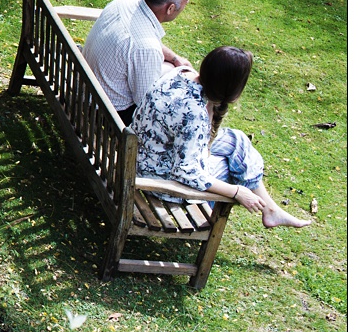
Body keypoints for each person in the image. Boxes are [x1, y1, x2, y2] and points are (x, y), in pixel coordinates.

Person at [130, 46, 310, 229]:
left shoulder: (180, 74)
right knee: (231, 165)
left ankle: (271, 210)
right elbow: (186, 173)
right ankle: (201, 222)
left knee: (237, 140)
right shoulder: (194, 116)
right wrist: (237, 191)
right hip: (158, 180)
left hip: (144, 154)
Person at [83, 0, 192, 125]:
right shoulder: (146, 48)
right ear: (171, 8)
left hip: (84, 85)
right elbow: (145, 104)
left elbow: (139, 41)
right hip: (107, 113)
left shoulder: (124, 1)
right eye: (184, 5)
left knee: (168, 68)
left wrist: (174, 58)